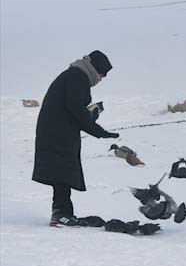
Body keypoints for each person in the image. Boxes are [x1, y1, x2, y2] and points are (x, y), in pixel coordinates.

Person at [32, 51, 120, 227]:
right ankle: (61, 214)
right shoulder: (77, 77)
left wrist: (92, 120)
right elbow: (76, 110)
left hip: (56, 130)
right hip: (58, 133)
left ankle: (62, 213)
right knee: (62, 171)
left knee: (62, 171)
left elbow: (75, 110)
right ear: (95, 68)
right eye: (102, 73)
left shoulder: (74, 75)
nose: (102, 78)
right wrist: (99, 131)